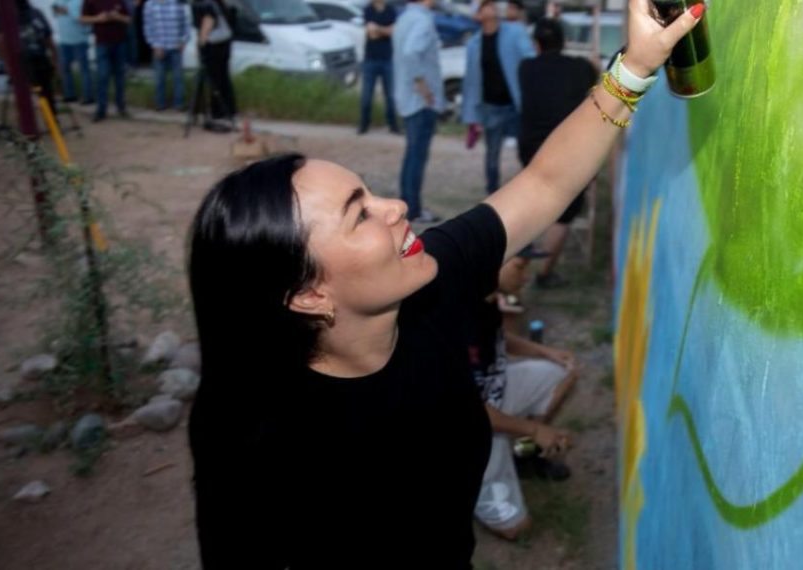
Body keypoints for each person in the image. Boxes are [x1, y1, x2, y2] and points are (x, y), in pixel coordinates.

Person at [186, 0, 702, 565]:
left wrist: (635, 67)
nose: (397, 207)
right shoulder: (253, 435)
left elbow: (545, 184)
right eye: (360, 215)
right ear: (309, 295)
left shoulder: (427, 282)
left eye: (372, 192)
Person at [469, 248, 578, 539]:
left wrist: (545, 351)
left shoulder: (486, 298)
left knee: (563, 371)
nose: (527, 277)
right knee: (517, 529)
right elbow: (469, 411)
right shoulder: (456, 319)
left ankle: (522, 453)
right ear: (492, 266)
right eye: (520, 267)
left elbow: (498, 337)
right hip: (467, 425)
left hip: (494, 397)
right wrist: (535, 429)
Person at [518, 18, 596, 288]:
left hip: (531, 148)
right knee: (564, 213)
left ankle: (519, 261)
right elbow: (594, 79)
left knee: (534, 201)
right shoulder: (581, 68)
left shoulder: (526, 68)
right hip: (568, 148)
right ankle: (544, 274)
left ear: (536, 44)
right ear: (563, 42)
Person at [461, 0, 534, 194]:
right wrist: (472, 115)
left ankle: (528, 190)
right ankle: (492, 192)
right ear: (478, 15)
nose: (491, 7)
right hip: (491, 106)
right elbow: (471, 81)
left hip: (517, 103)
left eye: (492, 4)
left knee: (527, 150)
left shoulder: (515, 32)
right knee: (492, 153)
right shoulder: (474, 44)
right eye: (485, 5)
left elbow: (530, 59)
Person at [393, 0, 442, 222]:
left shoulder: (404, 18)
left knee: (411, 154)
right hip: (421, 100)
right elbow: (411, 52)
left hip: (407, 97)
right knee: (417, 156)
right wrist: (423, 86)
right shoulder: (422, 20)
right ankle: (413, 209)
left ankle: (407, 204)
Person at [0, 0, 58, 114]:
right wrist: (7, 64)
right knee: (28, 95)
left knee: (46, 92)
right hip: (21, 62)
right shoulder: (4, 16)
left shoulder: (36, 13)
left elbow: (48, 37)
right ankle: (42, 117)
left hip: (40, 58)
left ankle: (52, 118)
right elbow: (0, 41)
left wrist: (54, 58)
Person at [81, 0, 131, 121]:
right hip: (102, 43)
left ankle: (121, 106)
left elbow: (129, 19)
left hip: (119, 42)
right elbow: (82, 19)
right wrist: (98, 18)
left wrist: (118, 17)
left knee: (120, 76)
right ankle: (101, 109)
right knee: (102, 76)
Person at [193, 0, 236, 129]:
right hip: (224, 41)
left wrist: (201, 43)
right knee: (223, 77)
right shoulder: (216, 3)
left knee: (214, 79)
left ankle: (218, 111)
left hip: (214, 44)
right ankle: (228, 109)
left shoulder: (204, 4)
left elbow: (208, 21)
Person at [359, 0, 400, 135]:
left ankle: (393, 125)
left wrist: (378, 28)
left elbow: (392, 31)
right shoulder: (368, 10)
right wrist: (384, 29)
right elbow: (371, 34)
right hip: (370, 59)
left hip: (387, 58)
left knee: (390, 96)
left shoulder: (390, 10)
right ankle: (364, 124)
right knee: (366, 95)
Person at [142, 0, 188, 111]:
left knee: (178, 78)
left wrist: (183, 41)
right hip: (159, 47)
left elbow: (185, 23)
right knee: (159, 78)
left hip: (175, 46)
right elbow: (147, 27)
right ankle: (160, 104)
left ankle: (179, 104)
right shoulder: (150, 5)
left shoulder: (177, 3)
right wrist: (154, 44)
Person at [51, 0, 93, 104]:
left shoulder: (80, 2)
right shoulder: (58, 1)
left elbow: (81, 18)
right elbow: (55, 12)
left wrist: (67, 10)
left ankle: (88, 97)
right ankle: (70, 95)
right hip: (64, 40)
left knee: (84, 70)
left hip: (80, 39)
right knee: (65, 69)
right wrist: (60, 10)